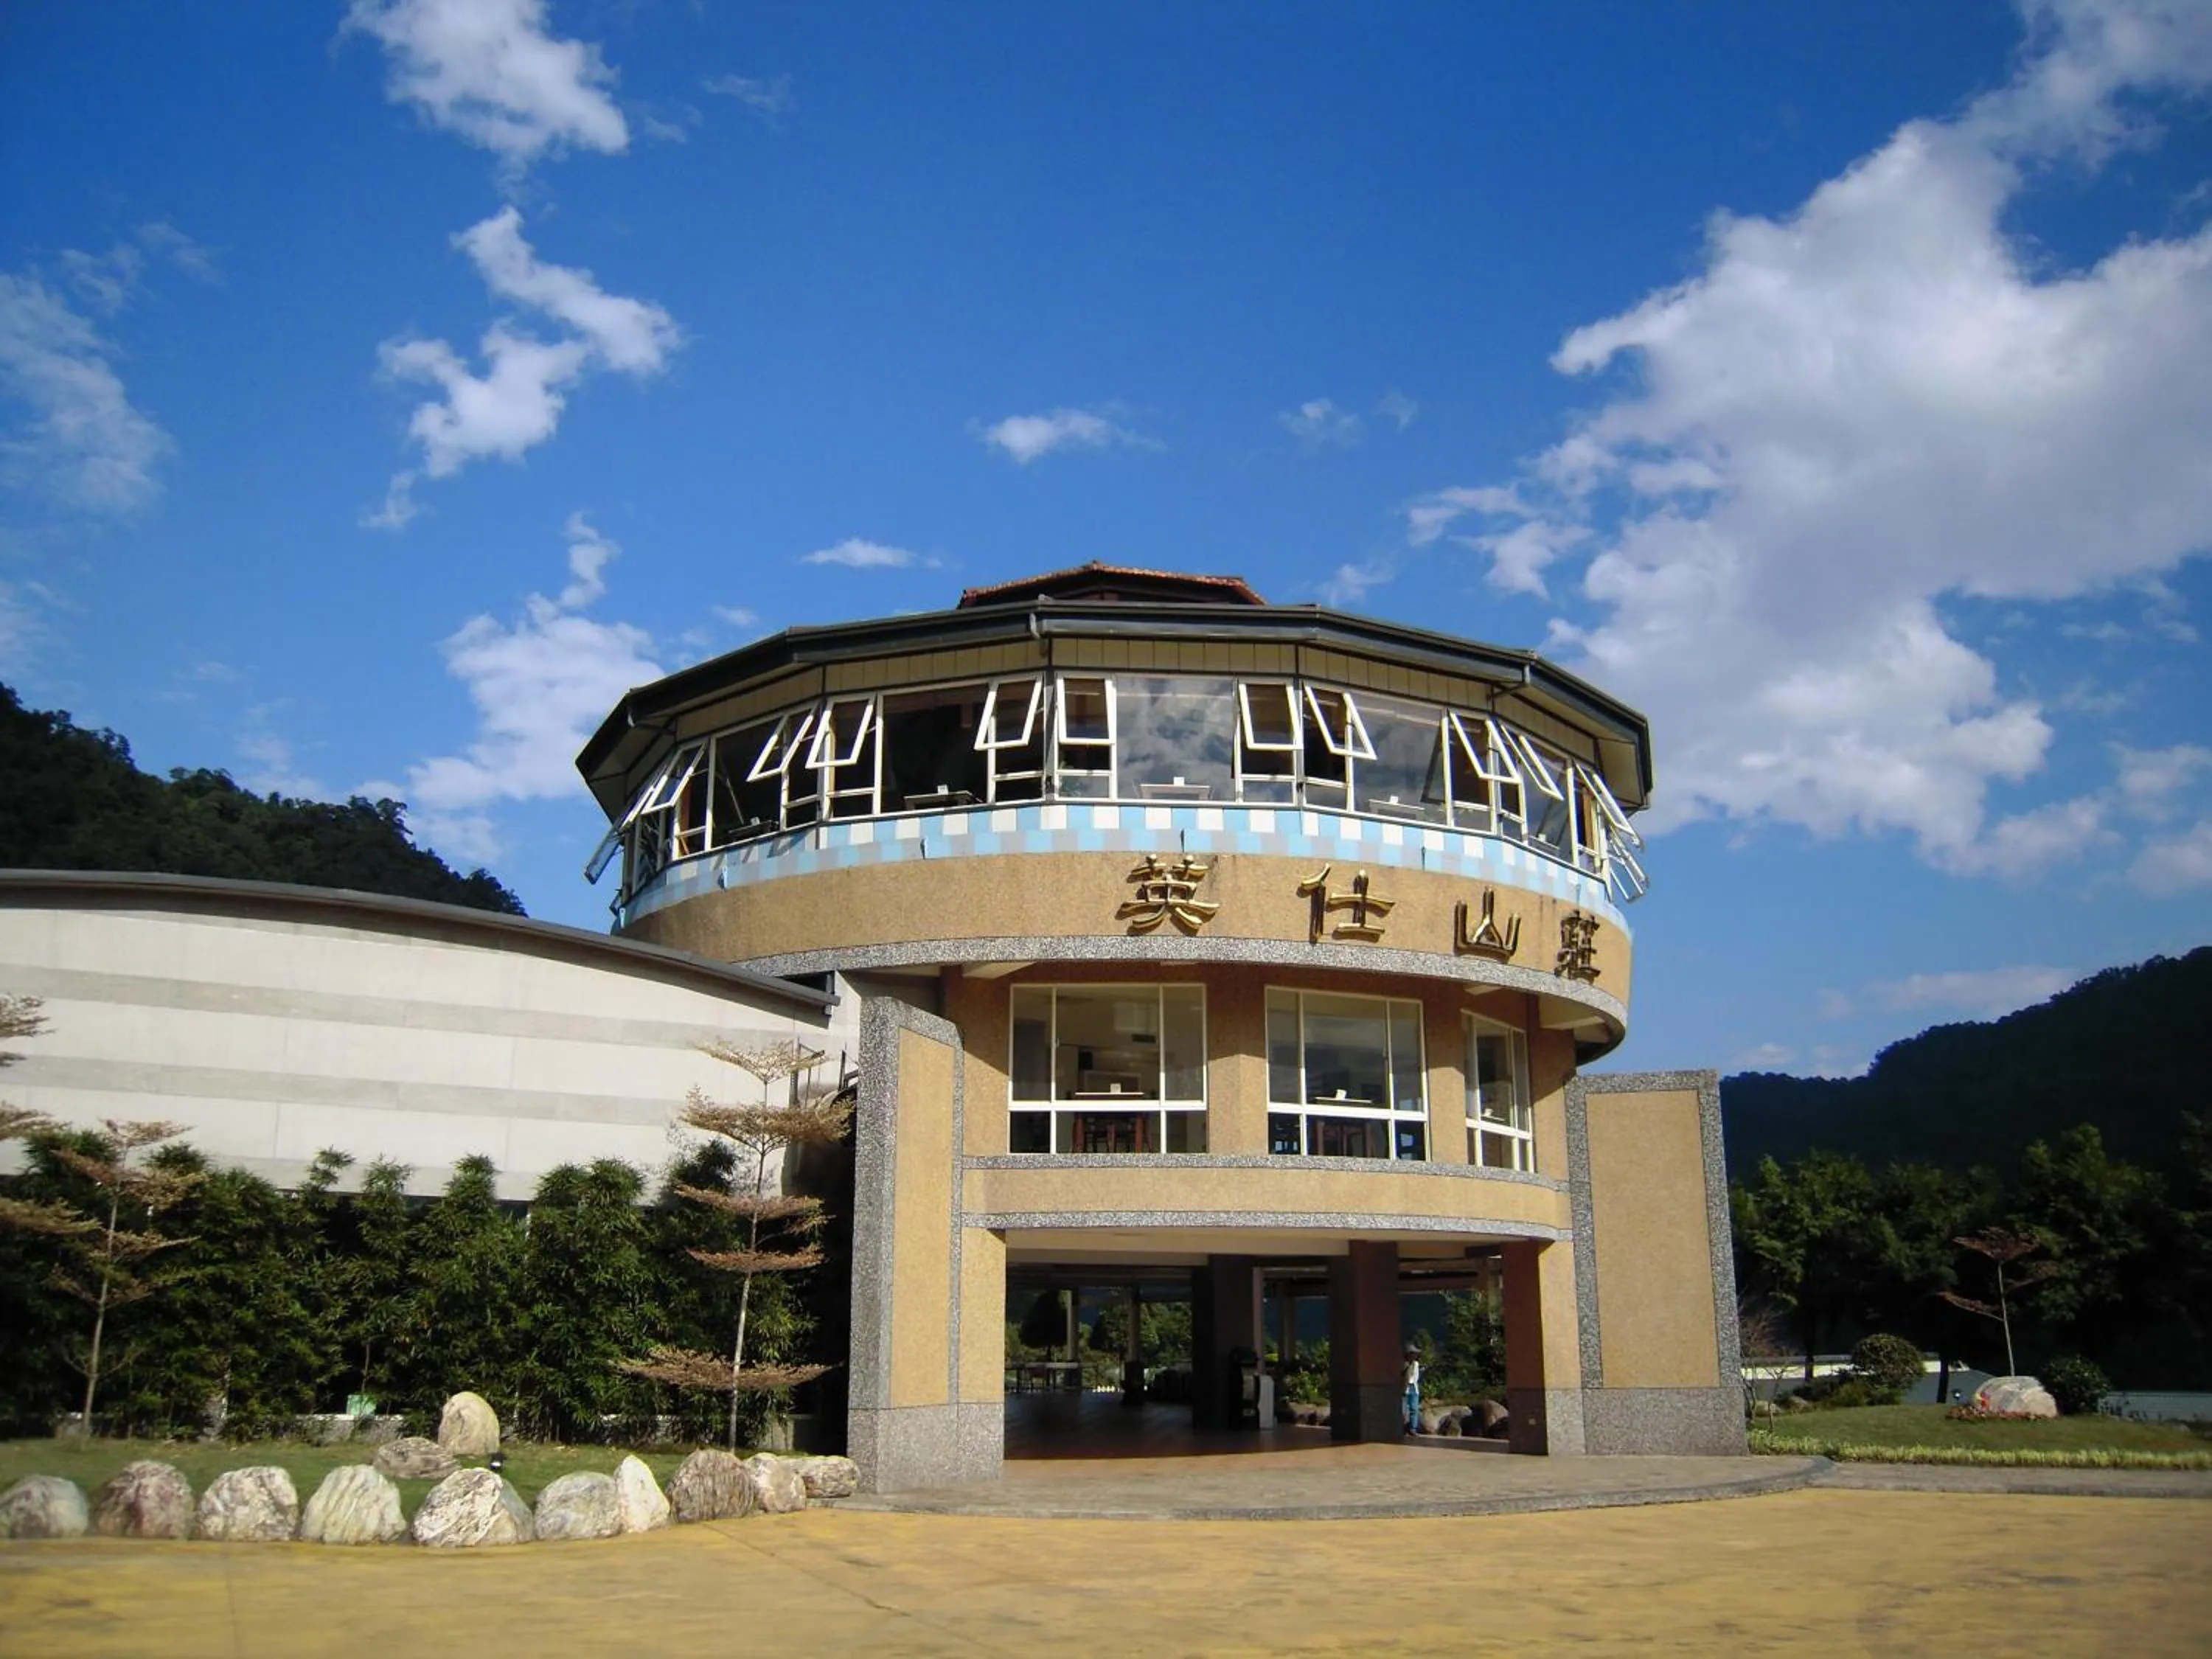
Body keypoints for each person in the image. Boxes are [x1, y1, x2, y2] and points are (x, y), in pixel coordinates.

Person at [1402, 1343, 1422, 1436]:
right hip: (1405, 1387)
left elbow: (1416, 1377)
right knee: (1403, 1410)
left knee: (1414, 1409)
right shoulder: (1404, 1364)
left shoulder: (1416, 1364)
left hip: (1413, 1387)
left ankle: (1413, 1428)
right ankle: (1403, 1428)